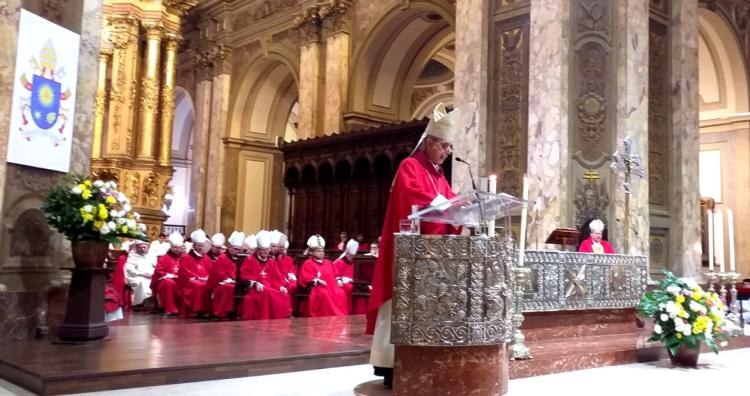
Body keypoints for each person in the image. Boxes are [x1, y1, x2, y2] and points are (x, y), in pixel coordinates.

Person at [367, 102, 462, 388]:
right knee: (400, 304)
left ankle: (421, 357)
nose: (447, 152)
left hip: (432, 254)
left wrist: (461, 208)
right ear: (430, 142)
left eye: (449, 147)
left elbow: (449, 203)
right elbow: (410, 197)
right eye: (444, 146)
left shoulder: (438, 174)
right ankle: (390, 364)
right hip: (408, 255)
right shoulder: (411, 165)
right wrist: (440, 203)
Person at [239, 230, 292, 320]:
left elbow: (277, 278)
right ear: (258, 250)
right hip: (255, 289)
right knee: (267, 293)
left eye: (267, 249)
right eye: (263, 250)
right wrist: (255, 283)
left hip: (270, 287)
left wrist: (280, 286)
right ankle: (265, 318)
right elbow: (244, 275)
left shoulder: (271, 261)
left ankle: (278, 319)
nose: (266, 252)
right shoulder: (250, 259)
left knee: (284, 295)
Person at [299, 235, 348, 317]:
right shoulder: (308, 263)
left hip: (332, 287)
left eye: (323, 251)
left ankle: (341, 317)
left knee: (341, 293)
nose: (322, 253)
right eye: (318, 251)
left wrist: (339, 280)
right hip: (318, 288)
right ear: (312, 252)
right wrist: (317, 280)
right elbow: (305, 276)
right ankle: (327, 317)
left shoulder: (329, 262)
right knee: (324, 294)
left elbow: (336, 274)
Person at [208, 231, 245, 319]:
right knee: (230, 288)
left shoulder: (241, 259)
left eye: (238, 249)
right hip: (220, 284)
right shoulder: (222, 258)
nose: (236, 251)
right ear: (229, 247)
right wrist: (229, 279)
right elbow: (218, 273)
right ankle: (224, 312)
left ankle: (238, 312)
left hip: (234, 282)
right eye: (234, 248)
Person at [178, 229, 213, 317]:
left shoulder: (206, 258)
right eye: (198, 245)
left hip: (204, 279)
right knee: (199, 285)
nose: (200, 247)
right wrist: (197, 277)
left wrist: (207, 277)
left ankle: (206, 310)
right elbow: (184, 271)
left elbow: (211, 270)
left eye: (202, 245)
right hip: (189, 281)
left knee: (209, 285)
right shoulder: (186, 257)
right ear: (194, 245)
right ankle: (196, 310)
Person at [151, 232, 185, 315]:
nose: (177, 249)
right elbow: (159, 270)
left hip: (181, 279)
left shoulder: (185, 257)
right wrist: (168, 275)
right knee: (168, 283)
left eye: (179, 247)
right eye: (175, 247)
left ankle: (184, 309)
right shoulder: (163, 257)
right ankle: (170, 308)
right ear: (171, 247)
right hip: (166, 279)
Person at [271, 230, 298, 310]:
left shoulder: (287, 258)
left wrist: (291, 275)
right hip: (277, 280)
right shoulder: (272, 259)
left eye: (283, 247)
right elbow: (275, 272)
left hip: (285, 278)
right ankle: (284, 308)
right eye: (280, 247)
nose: (281, 249)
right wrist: (284, 279)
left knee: (293, 285)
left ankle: (288, 308)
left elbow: (292, 269)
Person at [124, 240, 156, 307]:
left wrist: (153, 274)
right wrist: (142, 274)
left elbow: (156, 266)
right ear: (136, 248)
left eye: (144, 247)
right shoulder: (132, 255)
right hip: (136, 276)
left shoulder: (152, 254)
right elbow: (129, 268)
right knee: (141, 282)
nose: (142, 249)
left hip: (151, 276)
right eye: (140, 247)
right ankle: (140, 303)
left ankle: (153, 303)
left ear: (148, 247)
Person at [334, 239, 359, 313]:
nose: (351, 257)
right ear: (347, 253)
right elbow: (335, 274)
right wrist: (339, 279)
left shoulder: (356, 262)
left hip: (353, 284)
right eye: (350, 255)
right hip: (341, 284)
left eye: (353, 256)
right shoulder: (339, 262)